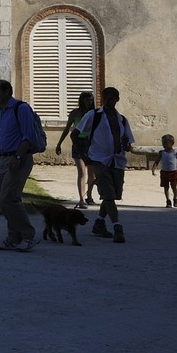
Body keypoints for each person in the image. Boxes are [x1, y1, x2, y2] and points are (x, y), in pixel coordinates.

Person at [0, 79, 46, 251]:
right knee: (6, 201)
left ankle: (28, 235)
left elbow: (28, 136)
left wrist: (18, 157)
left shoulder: (21, 109)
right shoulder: (0, 112)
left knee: (8, 198)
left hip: (18, 159)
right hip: (3, 160)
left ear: (7, 92)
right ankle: (14, 237)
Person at [78, 86, 133, 240]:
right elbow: (75, 134)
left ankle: (99, 222)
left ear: (117, 99)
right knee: (108, 194)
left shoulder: (122, 119)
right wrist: (83, 155)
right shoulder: (93, 116)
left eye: (112, 98)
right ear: (102, 98)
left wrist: (126, 145)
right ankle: (117, 227)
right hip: (99, 160)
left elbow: (129, 144)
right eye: (106, 98)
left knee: (113, 195)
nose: (109, 101)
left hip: (117, 160)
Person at [54, 90, 98, 207]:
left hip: (91, 143)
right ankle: (81, 198)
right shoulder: (75, 113)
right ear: (81, 100)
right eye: (86, 100)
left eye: (90, 100)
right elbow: (67, 129)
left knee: (91, 172)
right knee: (81, 172)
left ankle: (89, 195)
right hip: (78, 143)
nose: (89, 102)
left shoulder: (95, 113)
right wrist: (59, 144)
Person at [150, 134, 177, 208]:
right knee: (165, 187)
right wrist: (153, 169)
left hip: (173, 172)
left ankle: (175, 198)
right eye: (163, 143)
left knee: (174, 187)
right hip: (164, 172)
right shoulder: (161, 153)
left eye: (166, 143)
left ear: (172, 143)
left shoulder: (176, 153)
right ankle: (168, 200)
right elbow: (157, 161)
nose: (164, 144)